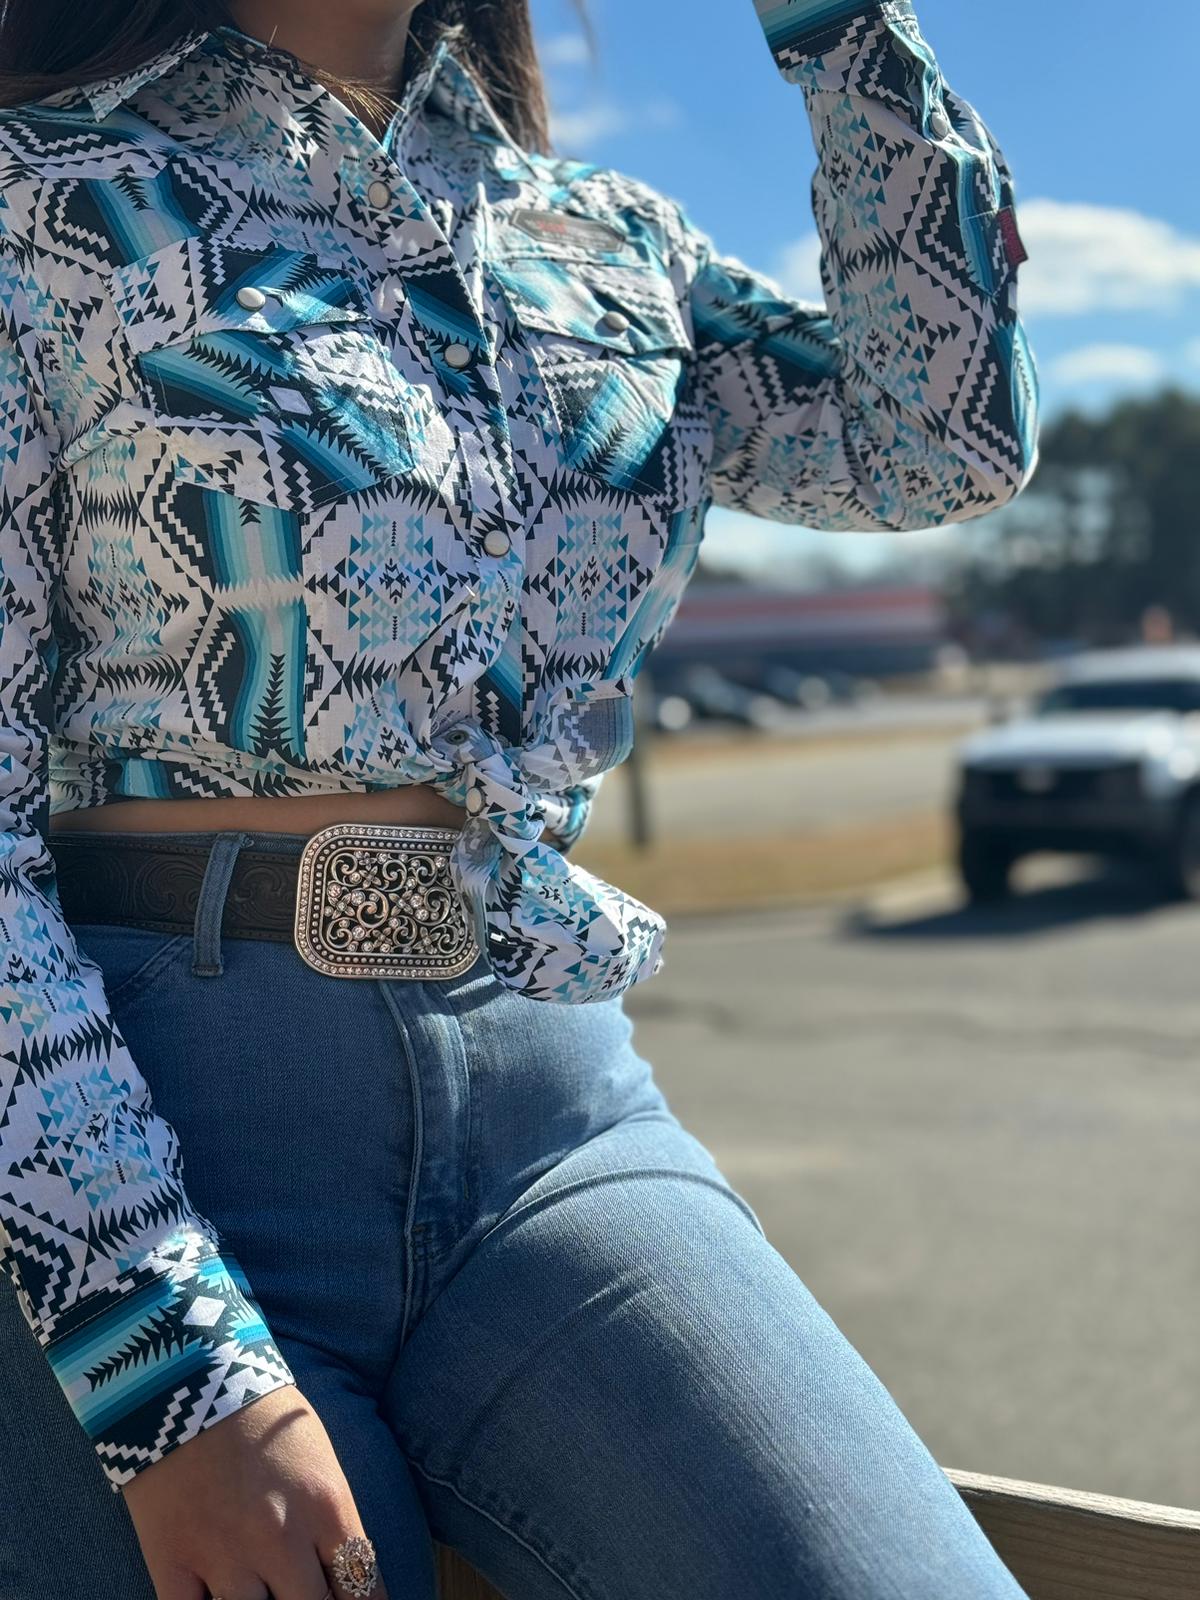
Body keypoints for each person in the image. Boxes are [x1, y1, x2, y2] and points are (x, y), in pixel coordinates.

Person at [0, 1, 1039, 1597]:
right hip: (156, 1119)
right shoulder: (41, 194)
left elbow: (936, 440)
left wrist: (837, 27)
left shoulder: (610, 240)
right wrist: (161, 1364)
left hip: (557, 1120)